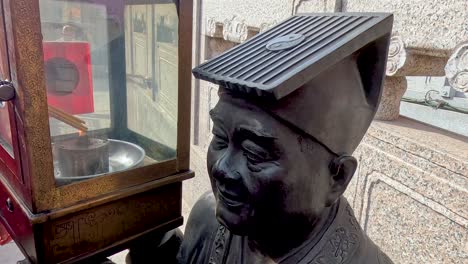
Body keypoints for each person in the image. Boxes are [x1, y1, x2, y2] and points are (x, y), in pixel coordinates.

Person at [130, 13, 395, 264]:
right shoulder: (208, 219)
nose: (222, 168)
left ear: (337, 178)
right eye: (220, 138)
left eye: (255, 153)